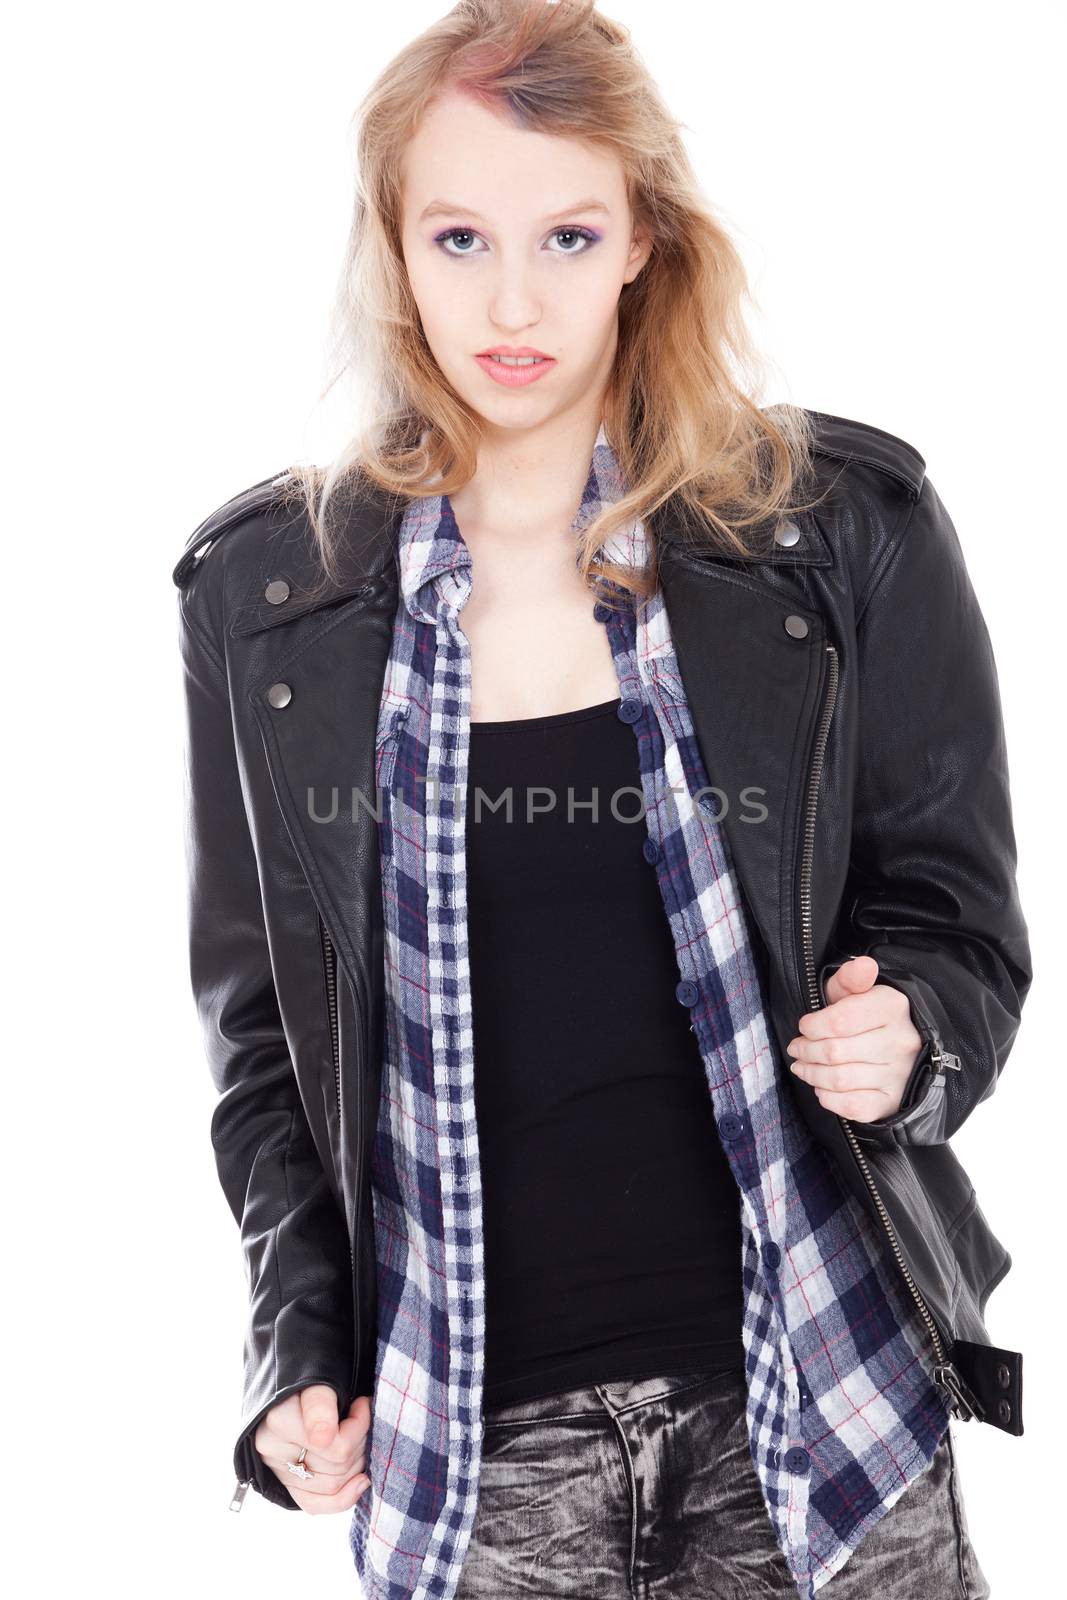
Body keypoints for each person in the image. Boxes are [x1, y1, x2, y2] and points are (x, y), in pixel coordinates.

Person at [172, 3, 1030, 1596]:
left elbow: (957, 920)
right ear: (392, 247)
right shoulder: (269, 600)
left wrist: (911, 1027)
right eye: (459, 235)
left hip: (820, 1414)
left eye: (568, 233)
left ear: (643, 237)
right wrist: (296, 1345)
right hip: (481, 1467)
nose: (512, 301)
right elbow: (265, 1037)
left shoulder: (844, 532)